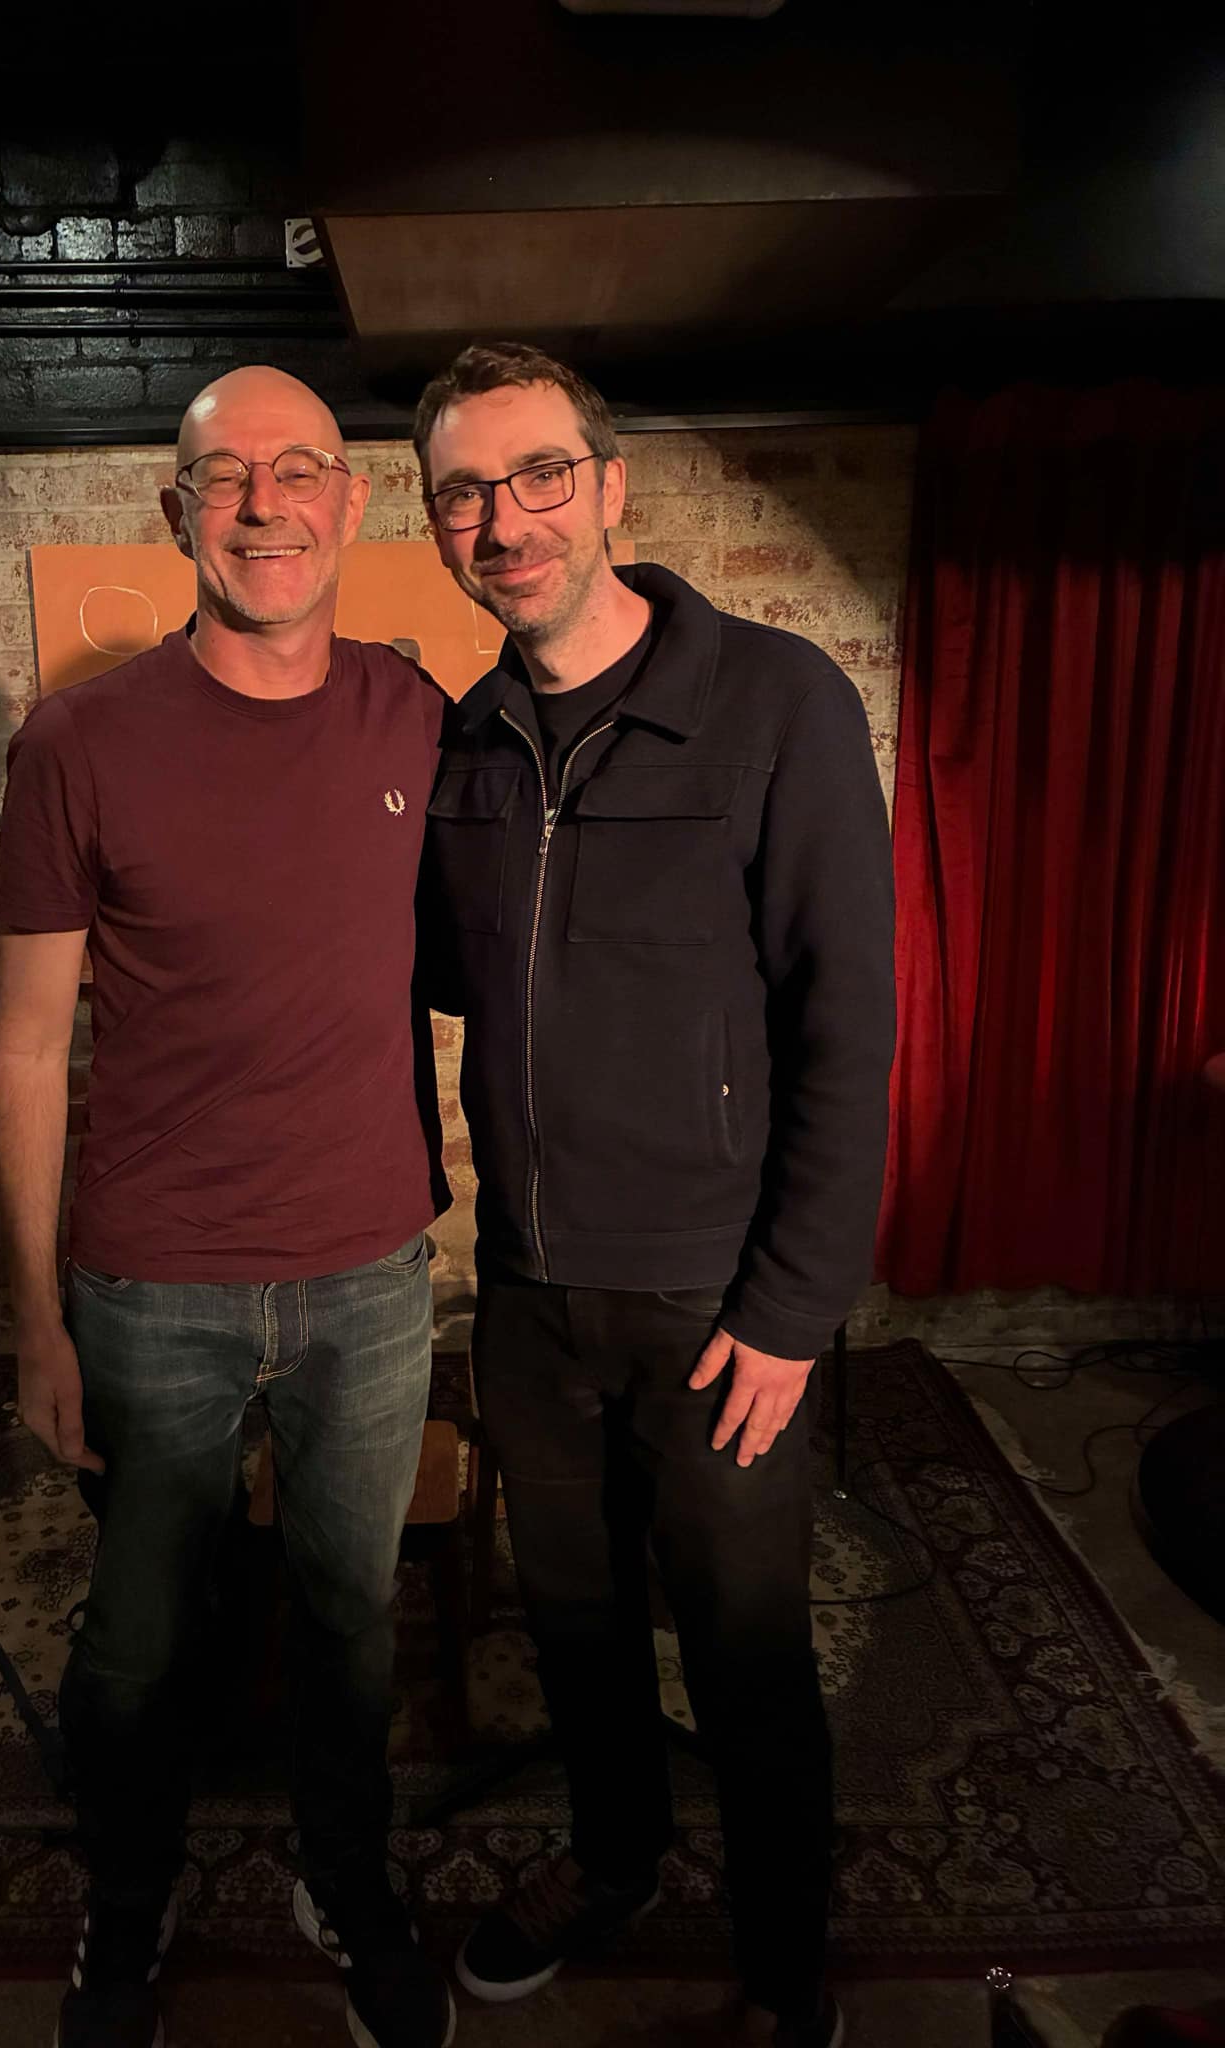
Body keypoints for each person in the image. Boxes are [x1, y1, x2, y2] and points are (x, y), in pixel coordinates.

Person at [413, 342, 896, 2048]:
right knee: (578, 1631)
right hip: (531, 1295)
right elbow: (432, 976)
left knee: (749, 1657)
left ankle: (781, 1963)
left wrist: (794, 1311)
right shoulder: (464, 740)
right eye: (463, 494)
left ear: (611, 487)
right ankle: (616, 1856)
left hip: (716, 1302)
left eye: (540, 475)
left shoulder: (775, 700)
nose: (505, 521)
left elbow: (848, 1022)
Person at [0, 366, 456, 2048]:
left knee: (349, 1626)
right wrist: (36, 1318)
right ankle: (130, 1903)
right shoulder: (80, 743)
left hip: (372, 1278)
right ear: (178, 509)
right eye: (229, 476)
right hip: (153, 1286)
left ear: (351, 503)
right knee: (136, 1644)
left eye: (300, 470)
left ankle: (347, 1883)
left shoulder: (413, 715)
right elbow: (28, 1042)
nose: (267, 505)